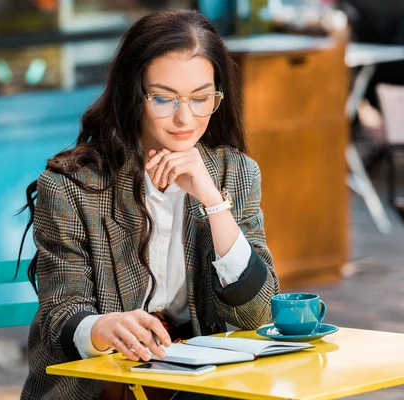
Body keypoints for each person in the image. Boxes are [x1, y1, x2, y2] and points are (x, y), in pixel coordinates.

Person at [18, 9, 280, 400]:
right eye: (163, 98)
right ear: (133, 93)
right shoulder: (73, 186)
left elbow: (258, 315)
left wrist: (212, 201)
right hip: (103, 386)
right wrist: (103, 327)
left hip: (198, 382)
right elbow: (60, 314)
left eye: (201, 98)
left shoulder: (233, 173)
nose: (184, 118)